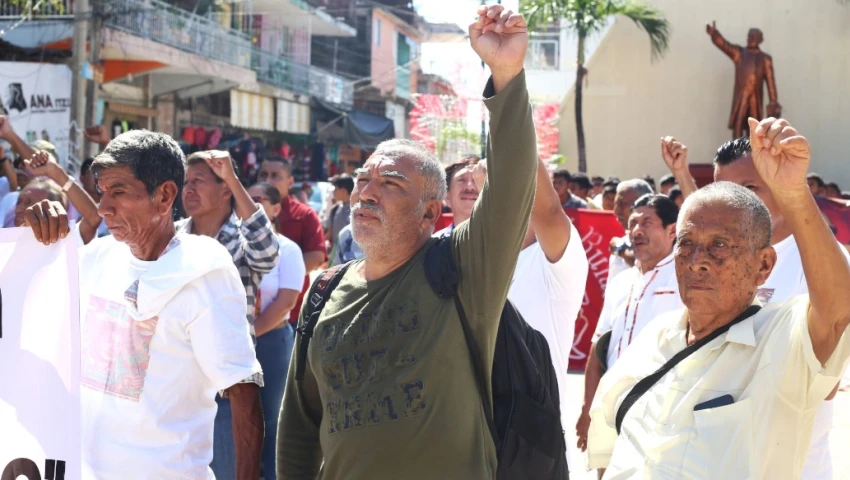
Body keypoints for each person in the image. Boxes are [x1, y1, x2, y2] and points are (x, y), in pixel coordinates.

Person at [276, 5, 536, 477]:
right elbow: (299, 424)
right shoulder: (324, 293)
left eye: (391, 183)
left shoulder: (460, 270)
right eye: (362, 179)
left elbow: (513, 188)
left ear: (430, 214)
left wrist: (506, 75)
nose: (366, 193)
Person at [587, 118, 850, 479]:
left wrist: (794, 192)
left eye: (720, 247)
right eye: (687, 245)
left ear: (763, 266)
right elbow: (611, 444)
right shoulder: (654, 339)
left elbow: (835, 318)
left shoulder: (777, 339)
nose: (699, 262)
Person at [22, 130, 263, 479]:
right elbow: (30, 313)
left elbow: (243, 390)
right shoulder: (96, 259)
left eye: (119, 192)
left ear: (164, 196)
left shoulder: (202, 274)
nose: (104, 207)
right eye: (103, 192)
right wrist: (39, 241)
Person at [671, 134, 849, 480]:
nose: (734, 202)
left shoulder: (819, 264)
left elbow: (824, 377)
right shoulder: (700, 260)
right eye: (725, 189)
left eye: (750, 188)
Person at [473, 155, 589, 468]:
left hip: (532, 441)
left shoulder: (556, 262)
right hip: (470, 436)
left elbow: (549, 210)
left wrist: (510, 134)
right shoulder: (472, 258)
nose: (493, 202)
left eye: (504, 189)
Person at [175, 150, 279, 480]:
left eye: (199, 182)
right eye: (186, 183)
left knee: (225, 471)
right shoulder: (172, 236)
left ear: (225, 191)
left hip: (226, 391)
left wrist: (233, 177)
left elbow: (267, 252)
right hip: (176, 382)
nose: (188, 190)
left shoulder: (242, 242)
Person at [576, 194, 682, 461]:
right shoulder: (621, 283)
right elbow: (598, 349)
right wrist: (589, 409)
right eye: (633, 223)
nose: (636, 230)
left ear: (673, 230)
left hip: (660, 416)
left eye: (647, 222)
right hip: (611, 411)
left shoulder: (686, 280)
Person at [246, 182, 306, 480]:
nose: (251, 204)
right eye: (246, 199)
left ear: (276, 209)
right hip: (237, 341)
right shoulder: (232, 244)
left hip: (270, 342)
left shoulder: (288, 249)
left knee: (271, 418)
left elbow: (286, 301)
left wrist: (249, 333)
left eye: (258, 200)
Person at [257, 156, 327, 333]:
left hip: (291, 311)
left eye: (275, 176)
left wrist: (282, 276)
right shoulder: (246, 211)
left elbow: (317, 257)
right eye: (263, 174)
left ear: (290, 182)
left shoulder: (304, 214)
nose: (268, 180)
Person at [14, 150, 102, 244]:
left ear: (54, 210)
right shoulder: (4, 239)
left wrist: (56, 172)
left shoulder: (65, 240)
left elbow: (93, 218)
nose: (18, 209)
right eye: (19, 201)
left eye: (29, 203)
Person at [608, 179, 653, 283]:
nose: (616, 211)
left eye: (623, 204)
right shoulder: (620, 242)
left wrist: (621, 250)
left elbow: (650, 268)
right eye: (616, 204)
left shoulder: (661, 240)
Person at [434, 155, 481, 237]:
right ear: (447, 197)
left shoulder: (507, 243)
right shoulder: (433, 248)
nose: (469, 187)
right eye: (461, 180)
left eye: (476, 180)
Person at [323, 174, 353, 258]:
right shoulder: (335, 209)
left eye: (336, 189)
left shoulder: (358, 211)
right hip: (336, 256)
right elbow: (328, 234)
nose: (333, 192)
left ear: (343, 190)